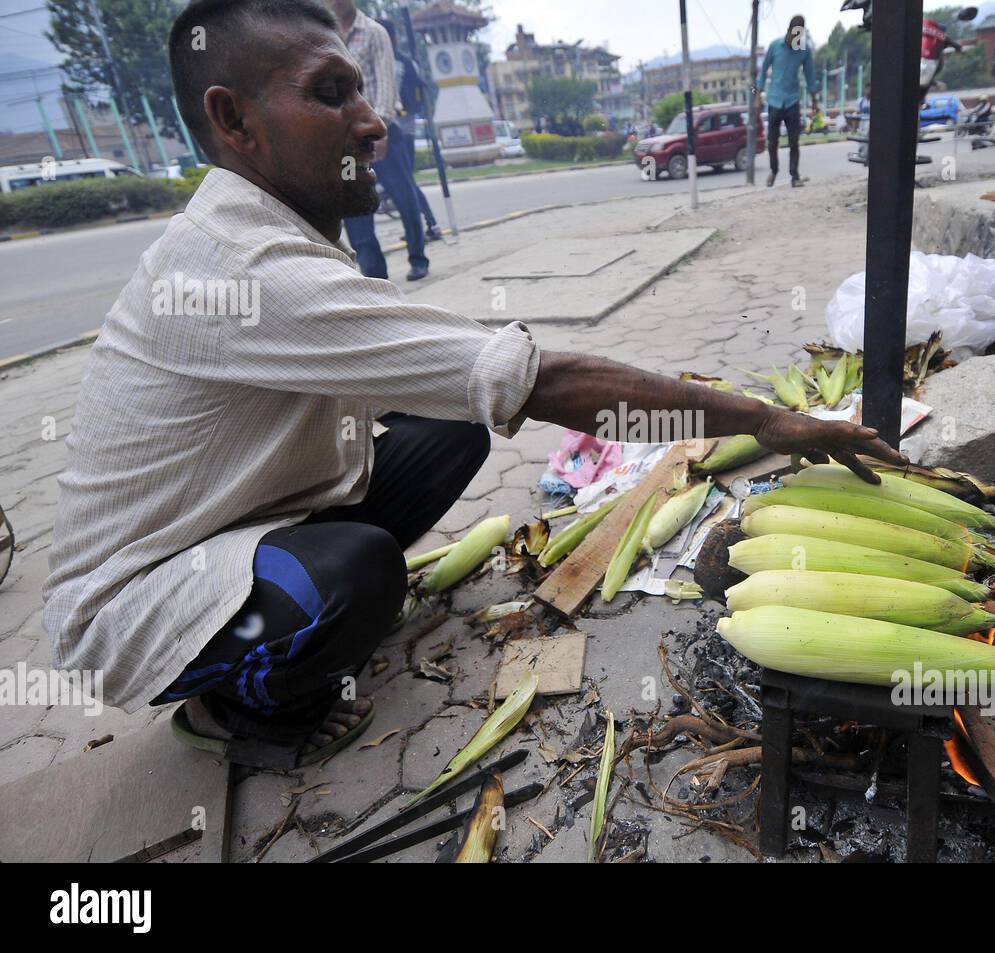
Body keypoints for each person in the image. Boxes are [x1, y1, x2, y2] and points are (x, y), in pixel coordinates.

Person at [42, 0, 907, 768]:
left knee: (451, 429)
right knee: (359, 570)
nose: (372, 121)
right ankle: (244, 712)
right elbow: (538, 380)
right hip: (134, 600)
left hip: (243, 517)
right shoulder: (242, 269)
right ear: (235, 120)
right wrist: (770, 421)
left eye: (361, 90)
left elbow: (444, 372)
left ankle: (296, 601)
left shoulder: (280, 235)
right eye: (332, 92)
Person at [329, 0, 428, 281]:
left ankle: (418, 257)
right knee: (355, 208)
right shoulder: (325, 37)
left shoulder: (374, 32)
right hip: (345, 140)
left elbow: (386, 83)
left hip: (381, 130)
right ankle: (375, 279)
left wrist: (380, 129)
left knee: (404, 197)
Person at [378, 16, 441, 242]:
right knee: (400, 184)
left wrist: (401, 111)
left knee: (407, 182)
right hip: (383, 131)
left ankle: (430, 224)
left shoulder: (402, 63)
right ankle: (414, 228)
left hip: (402, 130)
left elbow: (416, 98)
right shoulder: (376, 61)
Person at [756, 14, 820, 188]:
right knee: (772, 141)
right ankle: (774, 170)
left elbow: (810, 76)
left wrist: (814, 101)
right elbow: (763, 71)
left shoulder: (804, 50)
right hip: (775, 100)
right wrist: (758, 95)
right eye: (794, 36)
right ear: (789, 31)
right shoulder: (775, 46)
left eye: (800, 37)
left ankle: (794, 176)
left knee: (794, 141)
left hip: (792, 100)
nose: (796, 40)